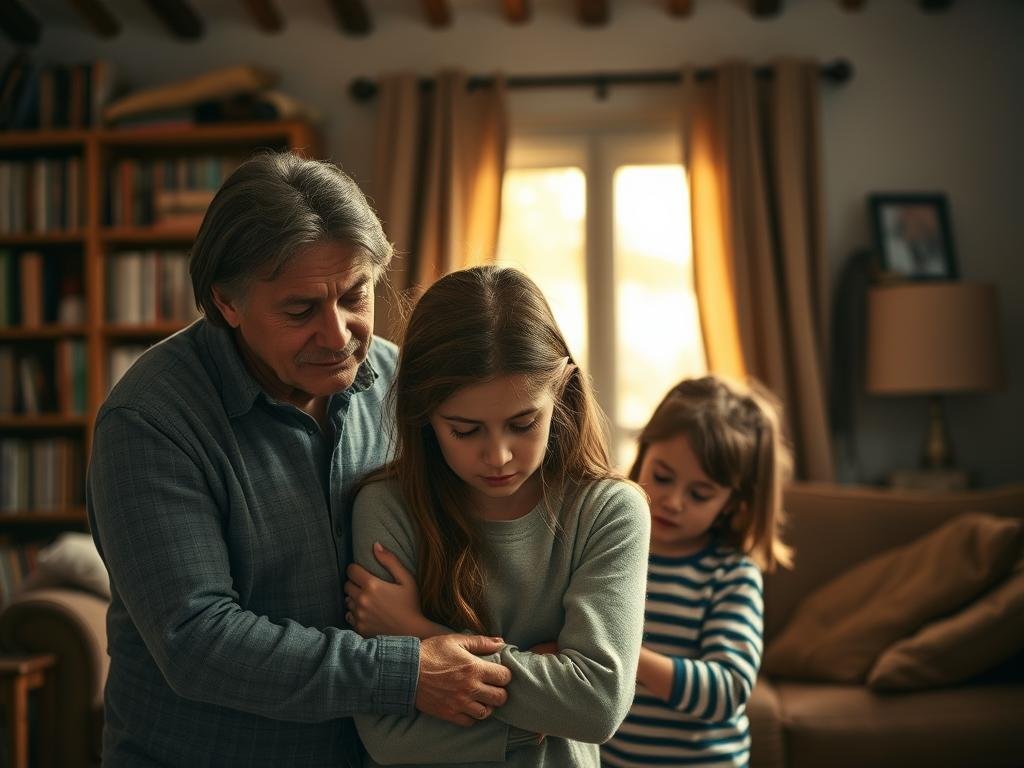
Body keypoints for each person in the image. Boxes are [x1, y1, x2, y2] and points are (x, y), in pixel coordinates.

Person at [86, 152, 512, 767]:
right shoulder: (150, 421)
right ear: (226, 304)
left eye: (355, 296)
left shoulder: (402, 381)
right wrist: (408, 671)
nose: (339, 335)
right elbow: (196, 640)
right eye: (300, 310)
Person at [342, 264, 651, 766]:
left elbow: (597, 706)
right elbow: (388, 735)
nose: (500, 456)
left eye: (523, 423)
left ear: (562, 393)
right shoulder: (386, 508)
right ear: (424, 414)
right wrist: (543, 720)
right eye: (466, 430)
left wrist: (420, 633)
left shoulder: (610, 511)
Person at [601, 376, 794, 768]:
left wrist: (621, 657)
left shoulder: (732, 575)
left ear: (729, 504)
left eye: (700, 493)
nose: (673, 501)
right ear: (643, 455)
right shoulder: (609, 549)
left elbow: (727, 691)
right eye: (662, 476)